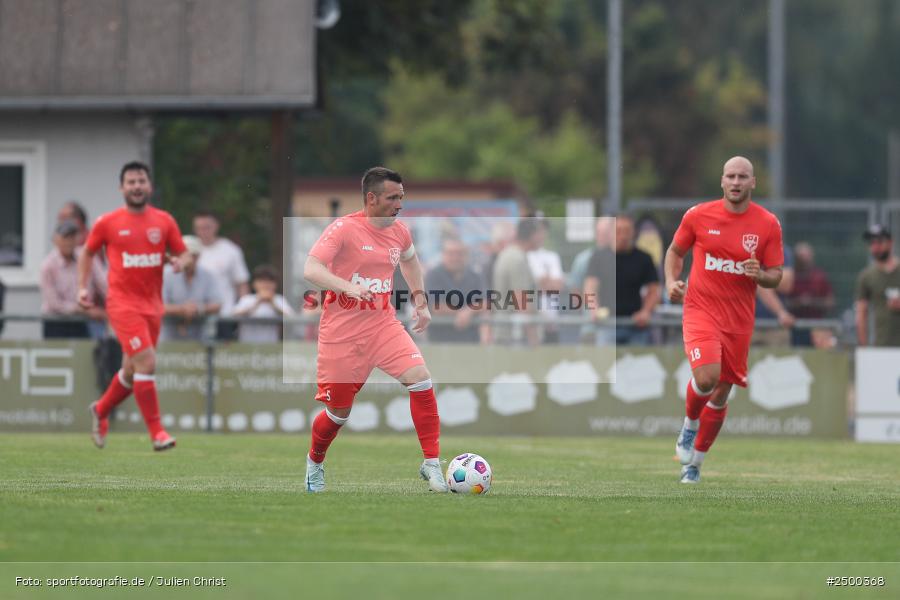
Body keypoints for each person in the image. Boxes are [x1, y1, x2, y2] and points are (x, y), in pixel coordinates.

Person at [302, 166, 447, 493]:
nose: (399, 204)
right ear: (371, 198)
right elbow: (311, 268)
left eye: (402, 197)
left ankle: (432, 464)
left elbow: (409, 260)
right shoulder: (343, 229)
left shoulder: (400, 231)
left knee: (420, 379)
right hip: (341, 333)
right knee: (338, 413)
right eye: (393, 198)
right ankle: (315, 461)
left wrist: (420, 302)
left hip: (382, 325)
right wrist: (347, 288)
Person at [665, 156, 784, 484]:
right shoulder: (699, 215)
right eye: (730, 176)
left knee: (720, 394)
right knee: (706, 379)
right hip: (701, 310)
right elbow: (675, 252)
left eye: (742, 177)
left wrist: (761, 274)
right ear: (722, 181)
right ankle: (689, 426)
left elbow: (777, 275)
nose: (735, 182)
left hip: (739, 320)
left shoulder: (768, 224)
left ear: (752, 183)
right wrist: (670, 282)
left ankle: (695, 464)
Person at [77, 161, 190, 451]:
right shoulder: (108, 222)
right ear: (122, 188)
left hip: (153, 306)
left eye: (141, 181)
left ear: (149, 186)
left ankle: (101, 409)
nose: (137, 186)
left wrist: (180, 261)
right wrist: (82, 288)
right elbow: (87, 253)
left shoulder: (164, 221)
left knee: (131, 370)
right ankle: (157, 433)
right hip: (122, 304)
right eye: (131, 182)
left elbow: (184, 253)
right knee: (148, 362)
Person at [585, 214, 660, 345]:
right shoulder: (598, 257)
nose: (623, 236)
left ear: (633, 233)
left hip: (636, 326)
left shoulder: (644, 258)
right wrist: (594, 309)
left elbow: (654, 290)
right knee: (606, 364)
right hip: (607, 325)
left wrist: (646, 311)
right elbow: (590, 287)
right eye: (619, 231)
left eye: (627, 231)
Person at [40, 220, 106, 339]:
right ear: (56, 239)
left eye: (72, 237)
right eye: (65, 237)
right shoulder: (48, 266)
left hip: (82, 322)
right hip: (56, 323)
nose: (69, 242)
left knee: (86, 355)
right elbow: (54, 304)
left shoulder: (87, 257)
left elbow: (104, 285)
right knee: (57, 357)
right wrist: (85, 310)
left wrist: (116, 304)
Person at [192, 211, 250, 339]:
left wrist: (242, 312)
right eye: (199, 228)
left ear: (216, 226)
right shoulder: (189, 250)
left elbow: (241, 284)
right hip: (195, 316)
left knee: (224, 356)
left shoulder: (230, 250)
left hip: (225, 315)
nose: (203, 232)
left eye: (207, 227)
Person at [424, 238, 488, 344]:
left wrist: (469, 311)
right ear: (443, 255)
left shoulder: (475, 275)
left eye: (459, 254)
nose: (455, 258)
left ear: (466, 255)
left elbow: (485, 302)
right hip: (440, 342)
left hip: (470, 341)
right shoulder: (433, 275)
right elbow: (437, 306)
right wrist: (463, 312)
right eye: (450, 253)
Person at [161, 235, 222, 341]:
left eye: (193, 255)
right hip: (168, 339)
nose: (189, 259)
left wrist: (198, 308)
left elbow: (217, 304)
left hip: (199, 339)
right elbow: (158, 306)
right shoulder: (165, 274)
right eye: (185, 255)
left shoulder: (208, 275)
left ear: (198, 256)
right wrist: (183, 309)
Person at [492, 219, 541, 346]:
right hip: (515, 337)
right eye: (540, 234)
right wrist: (533, 337)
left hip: (510, 333)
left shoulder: (510, 255)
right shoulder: (516, 259)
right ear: (533, 235)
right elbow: (521, 302)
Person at [855, 224, 900, 347]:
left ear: (890, 243)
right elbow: (861, 314)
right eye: (872, 243)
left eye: (879, 242)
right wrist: (864, 348)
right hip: (881, 347)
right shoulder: (866, 276)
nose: (875, 247)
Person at [786, 242, 834, 346]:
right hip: (793, 326)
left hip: (816, 326)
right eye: (802, 256)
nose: (805, 259)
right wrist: (798, 303)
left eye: (807, 256)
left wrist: (812, 302)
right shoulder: (790, 276)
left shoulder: (819, 276)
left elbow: (830, 302)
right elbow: (783, 302)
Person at [232, 264, 294, 343]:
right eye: (261, 281)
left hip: (271, 346)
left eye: (269, 281)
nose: (266, 284)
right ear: (254, 284)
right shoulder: (247, 299)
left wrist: (273, 303)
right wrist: (257, 302)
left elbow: (292, 318)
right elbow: (234, 315)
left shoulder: (279, 299)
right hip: (246, 346)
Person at [527, 219, 565, 344]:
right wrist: (546, 281)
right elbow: (540, 284)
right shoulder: (524, 256)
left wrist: (544, 281)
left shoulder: (552, 256)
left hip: (551, 324)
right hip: (532, 326)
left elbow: (557, 286)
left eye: (543, 230)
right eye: (537, 230)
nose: (541, 234)